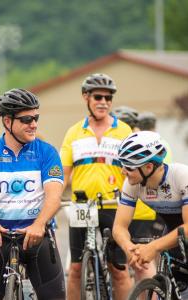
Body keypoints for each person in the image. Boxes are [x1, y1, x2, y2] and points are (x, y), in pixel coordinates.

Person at [0, 88, 66, 300]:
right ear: (6, 121)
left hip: (37, 236)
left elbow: (54, 197)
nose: (34, 124)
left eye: (36, 118)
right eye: (26, 119)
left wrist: (39, 224)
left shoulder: (47, 152)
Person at [60, 73, 133, 300]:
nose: (104, 102)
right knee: (75, 269)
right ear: (86, 98)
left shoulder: (124, 131)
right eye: (98, 97)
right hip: (82, 206)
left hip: (114, 205)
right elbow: (63, 173)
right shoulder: (73, 132)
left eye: (108, 98)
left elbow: (133, 171)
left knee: (119, 271)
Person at [112, 131, 188, 296]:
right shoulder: (133, 183)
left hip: (185, 229)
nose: (123, 171)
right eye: (122, 165)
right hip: (173, 230)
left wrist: (153, 247)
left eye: (129, 166)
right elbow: (119, 226)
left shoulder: (182, 176)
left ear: (148, 167)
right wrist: (130, 248)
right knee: (172, 289)